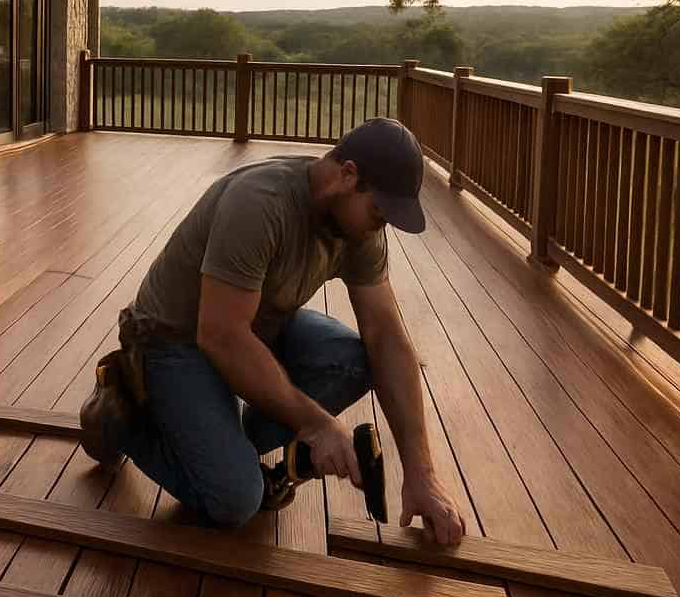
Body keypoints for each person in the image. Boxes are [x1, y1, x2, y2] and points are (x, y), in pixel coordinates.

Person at [80, 117, 466, 543]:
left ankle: (220, 443)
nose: (383, 224)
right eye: (380, 211)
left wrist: (422, 474)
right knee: (236, 499)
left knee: (353, 360)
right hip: (175, 339)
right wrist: (316, 424)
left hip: (256, 323)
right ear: (348, 175)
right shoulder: (261, 203)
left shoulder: (358, 227)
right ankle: (119, 422)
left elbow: (386, 338)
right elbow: (221, 335)